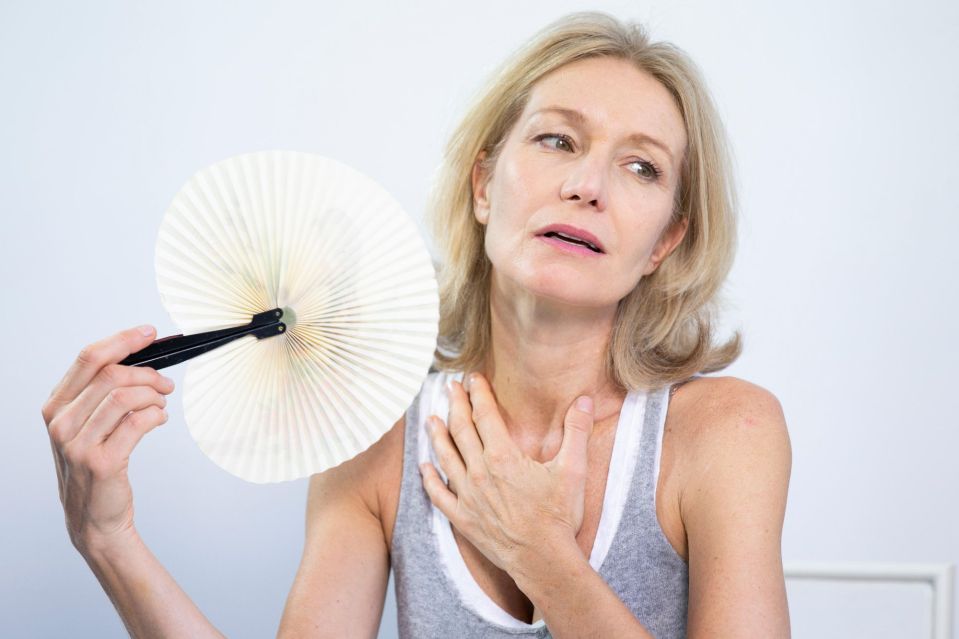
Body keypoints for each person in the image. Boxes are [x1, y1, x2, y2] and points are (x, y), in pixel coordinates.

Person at [42, 11, 791, 639]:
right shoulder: (376, 435)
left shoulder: (725, 434)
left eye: (641, 168)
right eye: (557, 139)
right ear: (483, 185)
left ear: (664, 242)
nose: (585, 185)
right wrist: (108, 540)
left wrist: (538, 554)